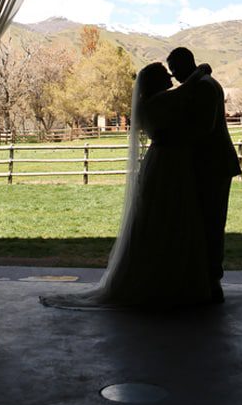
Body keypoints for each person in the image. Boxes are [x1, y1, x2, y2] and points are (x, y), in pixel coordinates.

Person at [39, 61, 213, 310]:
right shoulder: (157, 102)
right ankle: (167, 282)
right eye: (165, 74)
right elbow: (183, 94)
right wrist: (200, 72)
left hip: (164, 160)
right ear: (155, 81)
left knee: (165, 215)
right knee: (169, 213)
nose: (170, 76)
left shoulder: (150, 103)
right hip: (167, 163)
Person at [167, 47, 241, 303]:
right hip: (210, 165)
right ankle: (204, 279)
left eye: (175, 70)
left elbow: (203, 128)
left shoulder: (204, 87)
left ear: (186, 64)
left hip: (214, 165)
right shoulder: (203, 83)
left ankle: (213, 281)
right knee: (206, 223)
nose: (174, 76)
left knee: (212, 223)